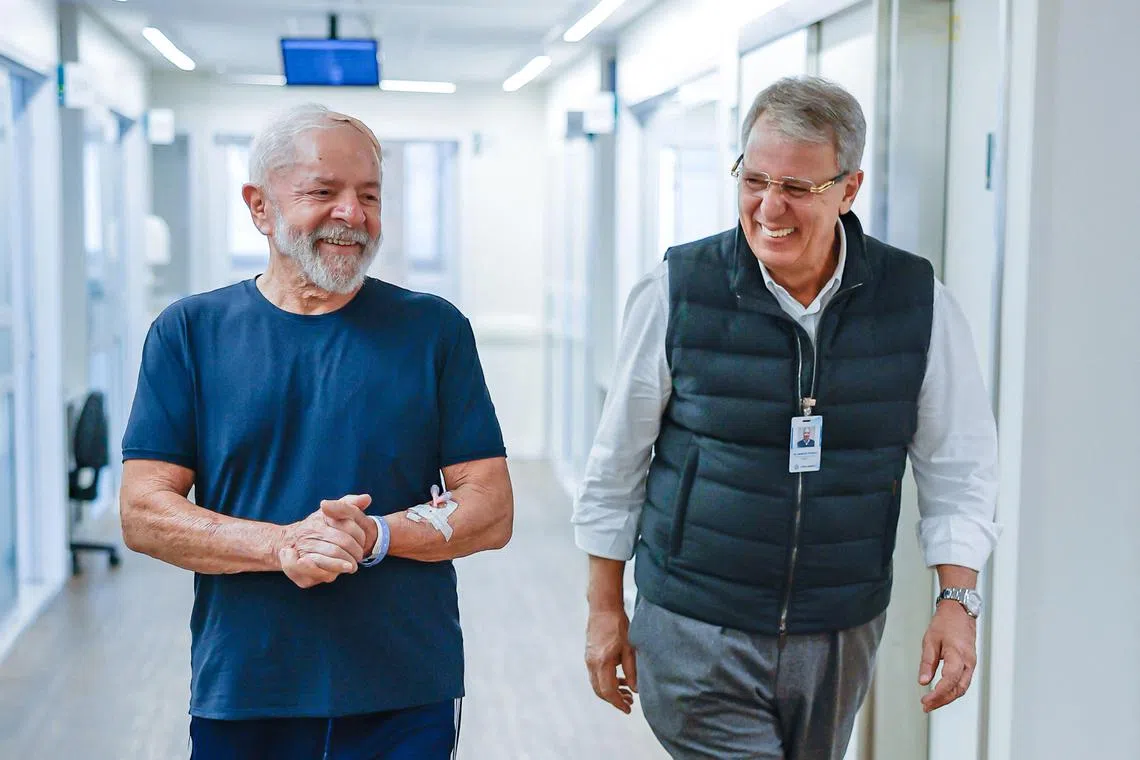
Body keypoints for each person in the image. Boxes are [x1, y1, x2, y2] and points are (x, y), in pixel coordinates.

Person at [574, 76, 1000, 759]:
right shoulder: (677, 290)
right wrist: (603, 607)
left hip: (840, 629)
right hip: (695, 622)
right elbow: (617, 462)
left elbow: (960, 465)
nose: (769, 207)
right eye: (755, 180)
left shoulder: (918, 301)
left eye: (797, 189)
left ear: (848, 189)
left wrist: (959, 600)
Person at [120, 103, 513, 760]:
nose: (352, 215)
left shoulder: (433, 331)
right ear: (260, 207)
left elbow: (491, 506)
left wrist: (376, 535)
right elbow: (142, 512)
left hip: (403, 687)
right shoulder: (189, 333)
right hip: (247, 685)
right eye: (322, 192)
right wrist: (283, 545)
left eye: (369, 195)